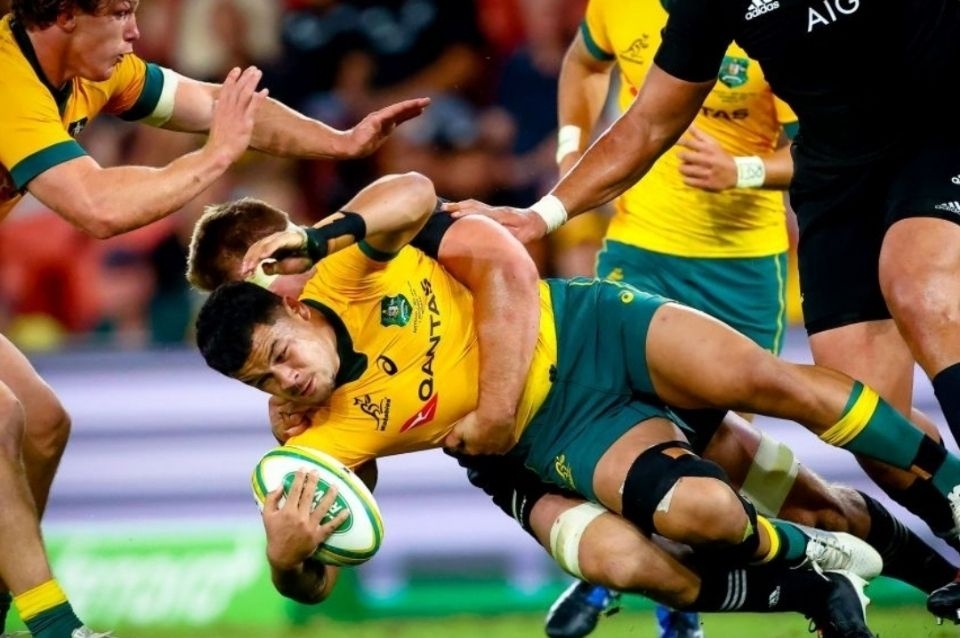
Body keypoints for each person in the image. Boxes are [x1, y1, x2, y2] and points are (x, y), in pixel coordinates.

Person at [185, 175, 960, 624]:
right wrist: (286, 561)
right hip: (553, 436)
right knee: (695, 523)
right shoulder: (310, 432)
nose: (287, 381)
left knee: (774, 385)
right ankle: (813, 580)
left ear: (286, 293)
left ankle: (948, 509)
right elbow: (318, 577)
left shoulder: (351, 257)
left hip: (586, 328)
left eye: (281, 358)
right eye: (264, 381)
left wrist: (323, 236)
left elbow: (460, 229)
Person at [442, 0, 960, 621]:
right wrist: (548, 200)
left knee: (915, 287)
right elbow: (634, 109)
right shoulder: (676, 7)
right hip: (796, 193)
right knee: (870, 430)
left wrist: (743, 169)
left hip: (917, 141)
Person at [0, 1, 429, 636]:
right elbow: (95, 207)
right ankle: (55, 627)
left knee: (42, 425)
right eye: (119, 12)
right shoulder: (8, 83)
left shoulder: (95, 71)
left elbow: (222, 108)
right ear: (65, 14)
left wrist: (338, 142)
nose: (135, 31)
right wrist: (215, 156)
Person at [546, 0, 796, 632]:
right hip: (640, 249)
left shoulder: (771, 18)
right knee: (609, 418)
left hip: (740, 269)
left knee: (706, 450)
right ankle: (623, 581)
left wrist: (741, 171)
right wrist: (572, 149)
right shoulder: (617, 5)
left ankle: (650, 586)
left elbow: (821, 150)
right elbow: (583, 63)